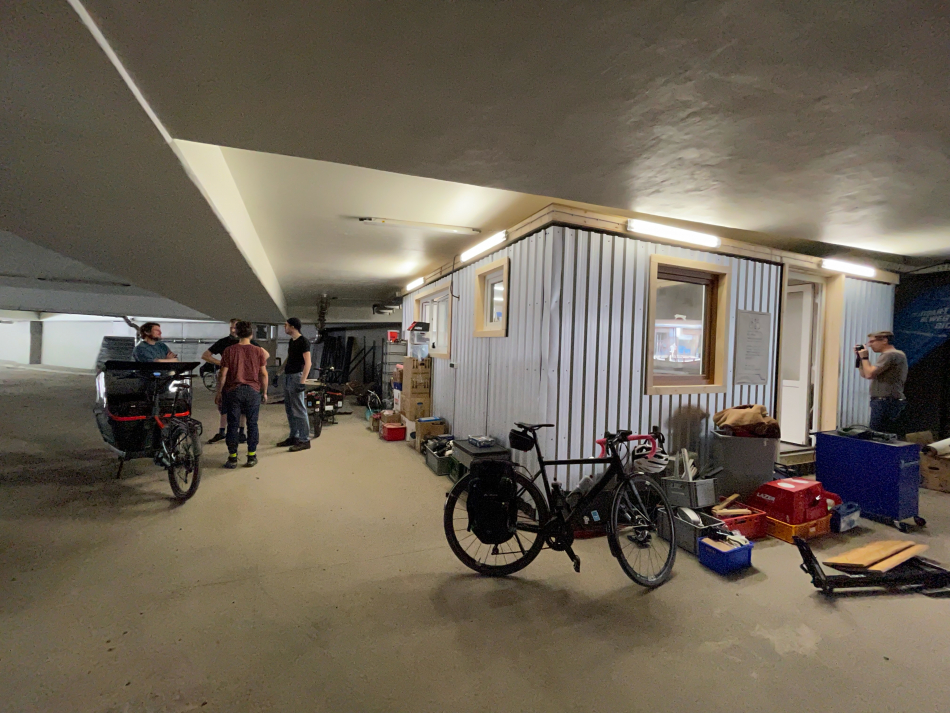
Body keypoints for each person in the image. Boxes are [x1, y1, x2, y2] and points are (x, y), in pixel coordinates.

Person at [202, 319, 270, 444]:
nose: (233, 330)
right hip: (231, 380)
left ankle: (240, 434)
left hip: (240, 381)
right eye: (231, 328)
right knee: (225, 407)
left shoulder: (249, 344)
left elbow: (265, 355)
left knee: (240, 411)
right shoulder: (225, 343)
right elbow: (206, 355)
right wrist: (222, 363)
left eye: (235, 328)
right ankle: (224, 432)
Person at [215, 321, 269, 469]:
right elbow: (264, 374)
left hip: (233, 391)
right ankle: (251, 456)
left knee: (232, 425)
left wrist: (219, 392)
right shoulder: (258, 351)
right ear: (251, 334)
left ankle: (232, 458)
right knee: (252, 424)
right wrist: (264, 392)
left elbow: (222, 374)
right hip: (253, 392)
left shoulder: (229, 350)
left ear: (237, 334)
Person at [857, 330, 908, 434]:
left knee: (878, 436)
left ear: (884, 340)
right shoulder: (889, 355)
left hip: (887, 402)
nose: (870, 345)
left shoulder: (891, 354)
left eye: (872, 341)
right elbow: (865, 374)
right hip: (884, 401)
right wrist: (860, 358)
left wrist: (865, 357)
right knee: (878, 434)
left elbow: (869, 374)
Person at [278, 317, 312, 452]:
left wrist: (302, 382)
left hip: (296, 377)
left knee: (299, 409)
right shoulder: (292, 341)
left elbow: (308, 363)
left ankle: (304, 440)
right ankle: (294, 436)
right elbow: (289, 359)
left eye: (286, 325)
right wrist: (279, 373)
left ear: (292, 327)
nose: (284, 327)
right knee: (290, 409)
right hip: (288, 376)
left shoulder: (303, 341)